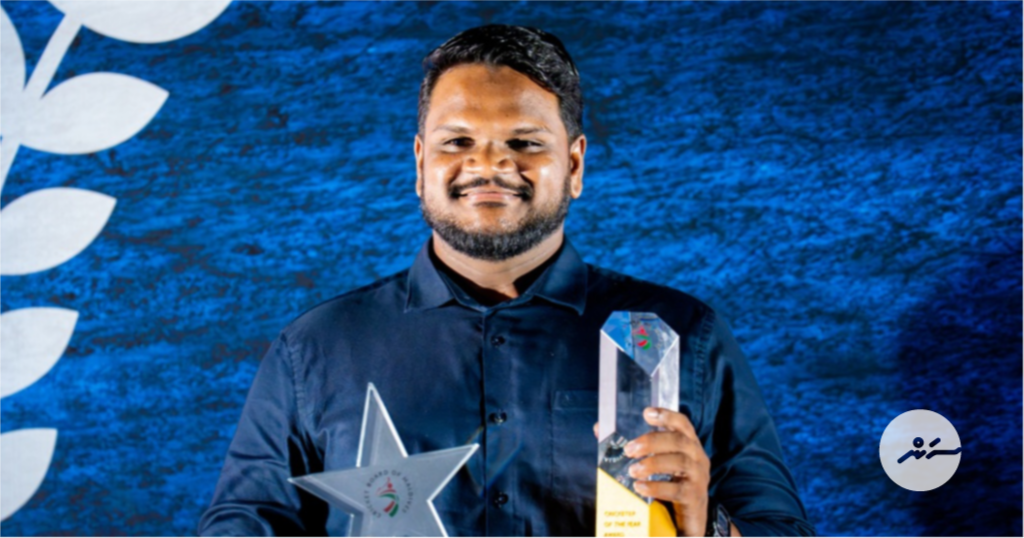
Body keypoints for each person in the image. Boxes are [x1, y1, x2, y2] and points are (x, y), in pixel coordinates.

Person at [198, 24, 815, 538]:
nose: (489, 163)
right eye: (458, 140)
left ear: (574, 164)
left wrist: (706, 524)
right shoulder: (317, 348)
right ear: (420, 163)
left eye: (524, 141)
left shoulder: (678, 335)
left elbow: (781, 528)